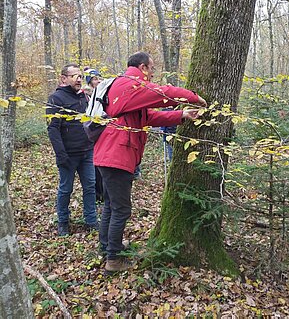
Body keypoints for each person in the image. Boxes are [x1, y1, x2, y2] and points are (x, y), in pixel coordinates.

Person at [94, 52, 206, 274]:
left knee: (111, 205)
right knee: (121, 209)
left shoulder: (126, 89)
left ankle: (108, 247)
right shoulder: (130, 84)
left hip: (109, 154)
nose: (153, 73)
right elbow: (162, 94)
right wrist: (193, 97)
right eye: (151, 68)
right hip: (117, 156)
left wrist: (182, 115)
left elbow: (151, 117)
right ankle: (113, 260)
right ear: (143, 67)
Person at [46, 64, 98, 236]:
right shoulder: (55, 99)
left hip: (87, 151)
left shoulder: (84, 97)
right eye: (74, 76)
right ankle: (63, 222)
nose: (78, 79)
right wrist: (61, 155)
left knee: (90, 186)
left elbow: (90, 121)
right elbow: (53, 129)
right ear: (63, 78)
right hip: (68, 154)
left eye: (80, 76)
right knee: (65, 189)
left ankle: (91, 220)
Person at [84, 67, 104, 201]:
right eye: (94, 79)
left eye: (98, 78)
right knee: (94, 167)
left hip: (103, 134)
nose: (97, 81)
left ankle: (102, 192)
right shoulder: (86, 95)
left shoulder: (102, 93)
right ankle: (97, 194)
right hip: (91, 134)